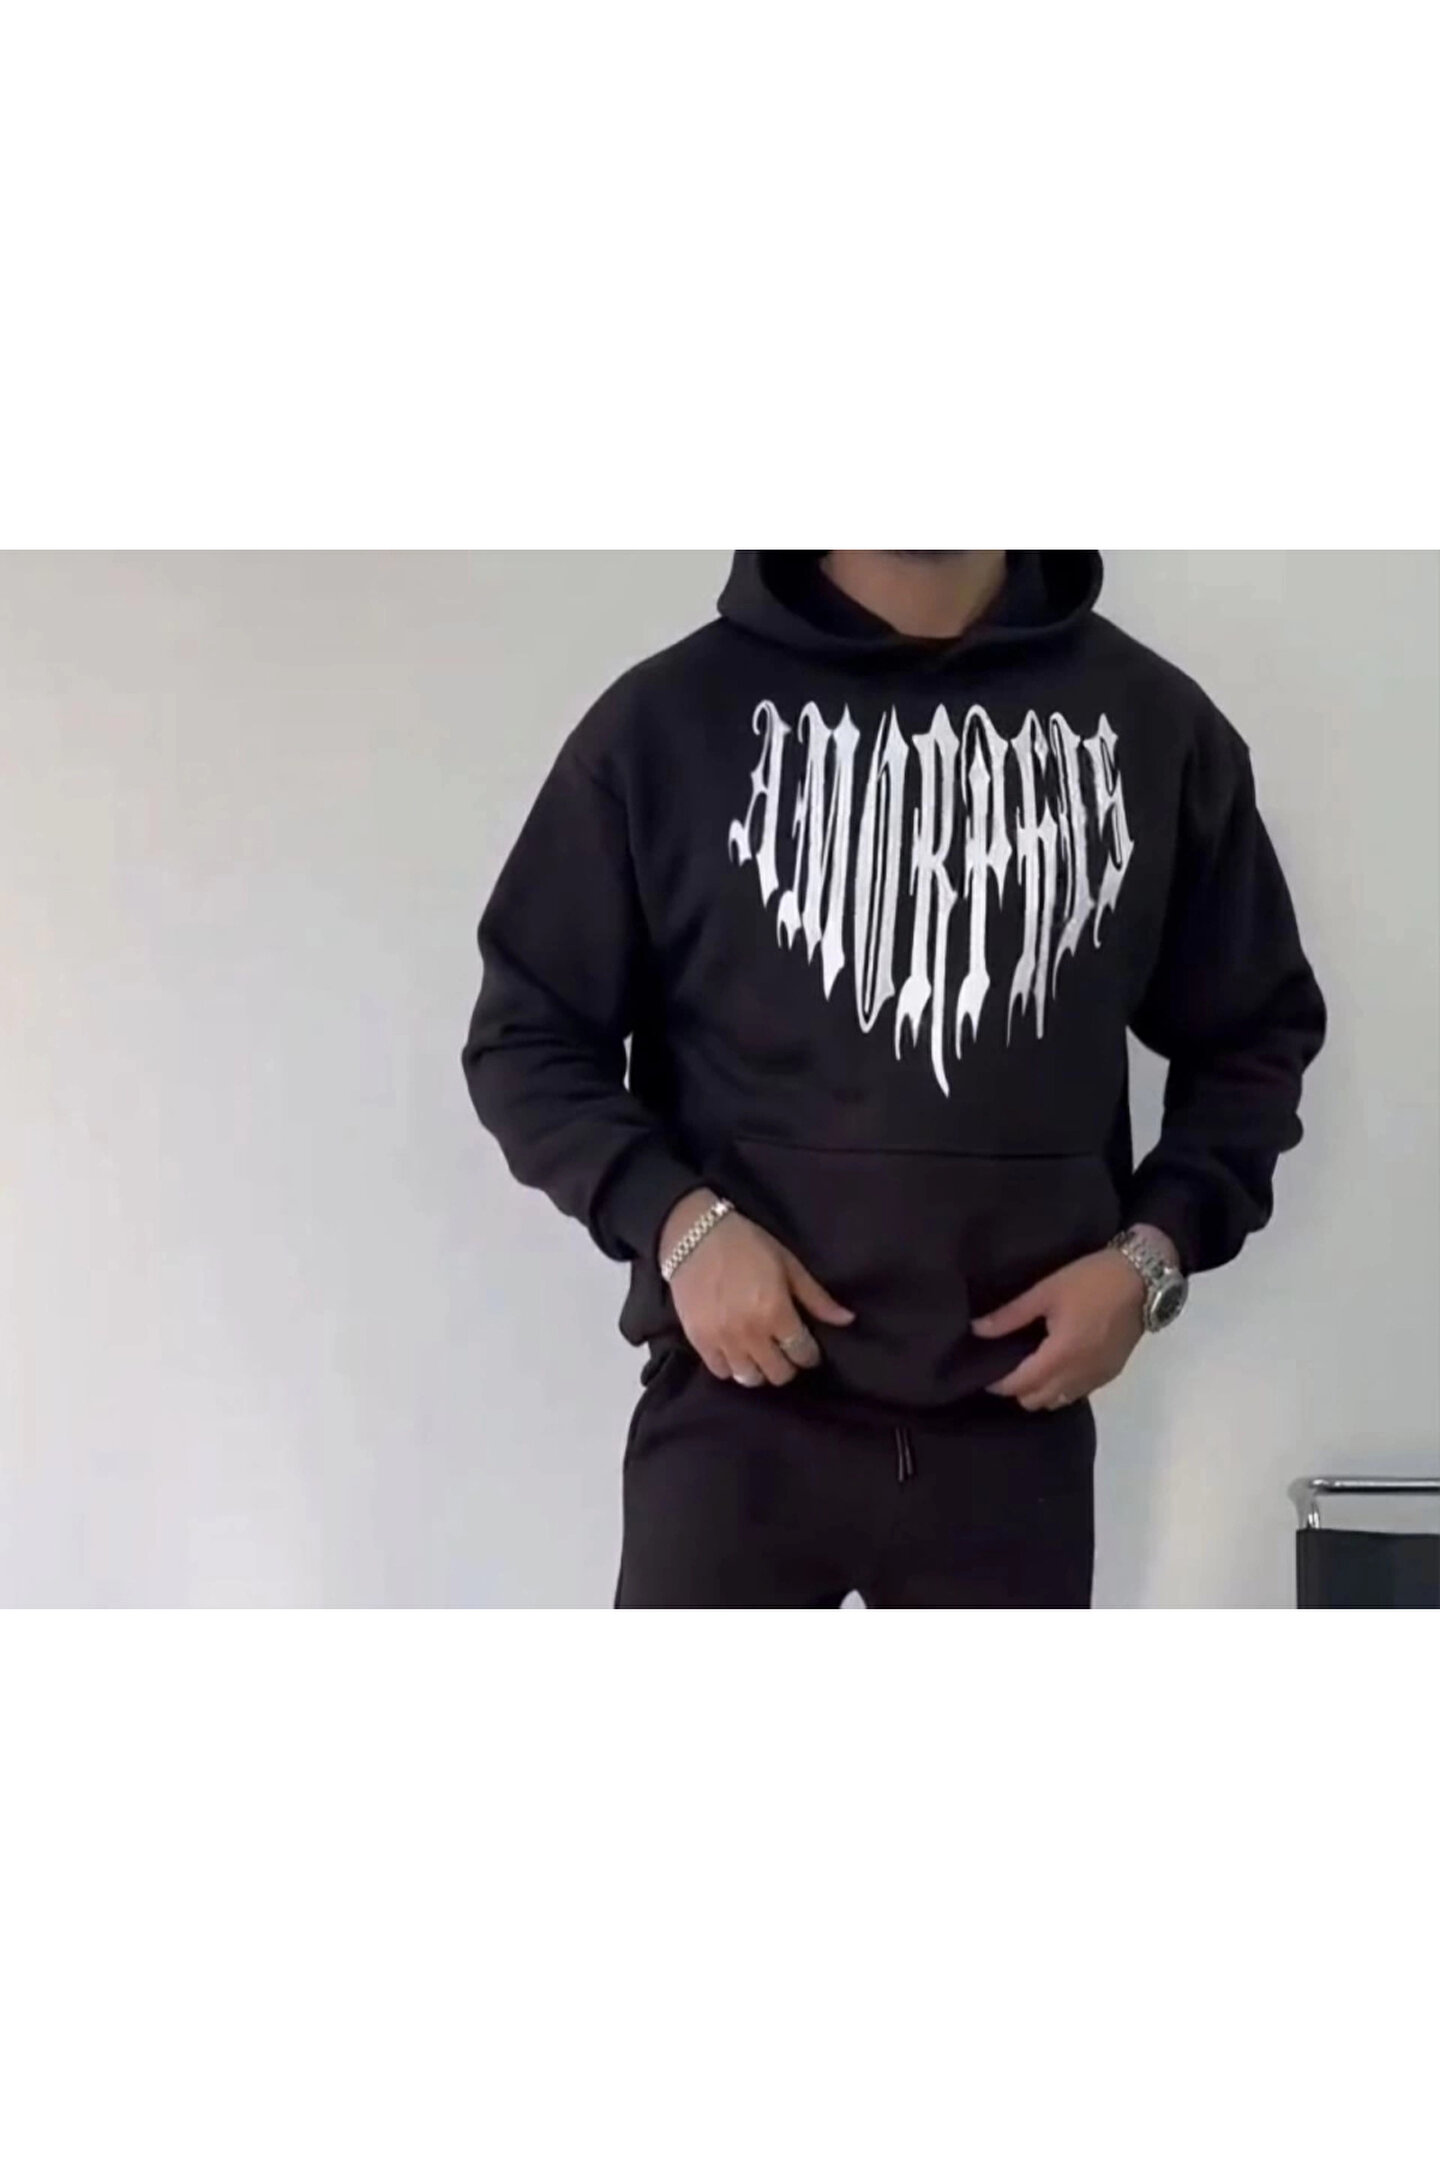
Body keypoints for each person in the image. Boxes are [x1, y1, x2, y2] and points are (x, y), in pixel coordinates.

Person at [462, 551, 1326, 1607]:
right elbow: (528, 1038)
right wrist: (678, 1223)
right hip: (735, 1418)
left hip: (1015, 1430)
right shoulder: (664, 727)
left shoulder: (1155, 729)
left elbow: (1253, 1038)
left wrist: (1153, 1257)